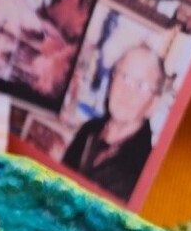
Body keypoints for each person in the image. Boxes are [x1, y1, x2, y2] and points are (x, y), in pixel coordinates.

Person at [62, 43, 166, 202]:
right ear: (111, 83)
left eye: (140, 85)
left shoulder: (146, 169)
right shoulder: (88, 130)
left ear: (153, 104)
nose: (127, 91)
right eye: (124, 77)